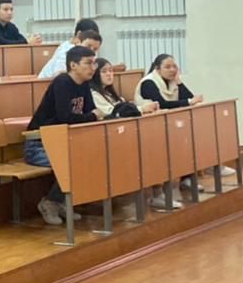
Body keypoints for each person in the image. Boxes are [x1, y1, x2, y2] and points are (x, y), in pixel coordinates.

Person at [19, 45, 102, 225]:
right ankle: (50, 202)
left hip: (63, 142)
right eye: (88, 63)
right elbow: (66, 118)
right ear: (73, 65)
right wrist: (92, 116)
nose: (93, 68)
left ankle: (59, 201)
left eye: (94, 63)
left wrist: (93, 116)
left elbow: (90, 112)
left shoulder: (84, 84)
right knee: (72, 161)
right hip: (38, 145)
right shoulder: (62, 83)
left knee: (88, 157)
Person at [90, 58, 155, 118]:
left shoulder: (109, 93)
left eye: (110, 70)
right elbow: (112, 113)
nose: (109, 74)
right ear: (95, 74)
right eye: (104, 71)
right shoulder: (94, 94)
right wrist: (142, 109)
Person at [38, 20, 102, 78]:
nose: (91, 51)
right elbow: (59, 75)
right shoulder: (66, 51)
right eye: (88, 46)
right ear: (79, 34)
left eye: (95, 49)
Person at [139, 54, 204, 109]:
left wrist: (178, 81)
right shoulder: (148, 83)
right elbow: (161, 105)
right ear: (157, 69)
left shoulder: (171, 81)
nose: (172, 70)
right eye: (167, 67)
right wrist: (189, 101)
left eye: (174, 66)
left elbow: (190, 98)